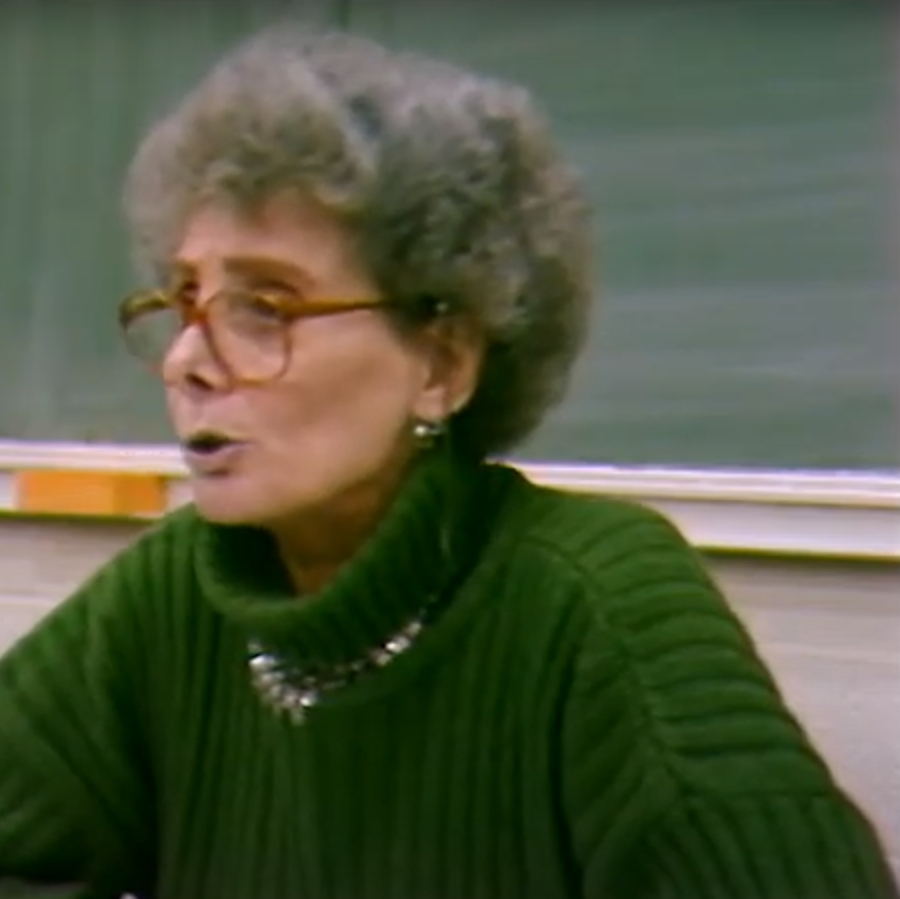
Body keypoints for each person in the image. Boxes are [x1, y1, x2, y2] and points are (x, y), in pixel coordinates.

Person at [0, 23, 895, 899]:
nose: (186, 361)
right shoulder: (175, 594)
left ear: (442, 363)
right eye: (187, 300)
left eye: (265, 307)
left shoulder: (598, 605)